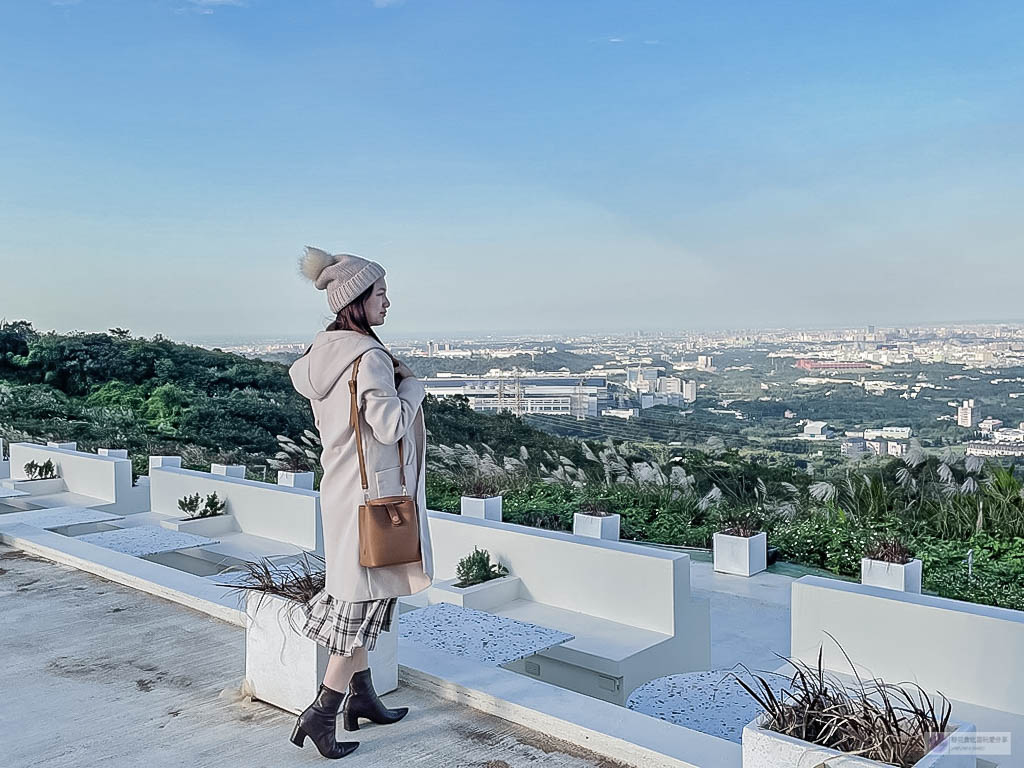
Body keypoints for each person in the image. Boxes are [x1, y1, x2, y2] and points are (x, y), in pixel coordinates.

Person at [287, 245, 434, 759]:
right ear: (357, 301)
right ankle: (323, 711)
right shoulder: (369, 357)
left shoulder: (321, 355)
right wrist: (413, 388)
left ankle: (363, 697)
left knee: (365, 593)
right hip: (375, 500)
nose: (388, 302)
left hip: (343, 493)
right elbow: (389, 424)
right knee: (361, 605)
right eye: (381, 294)